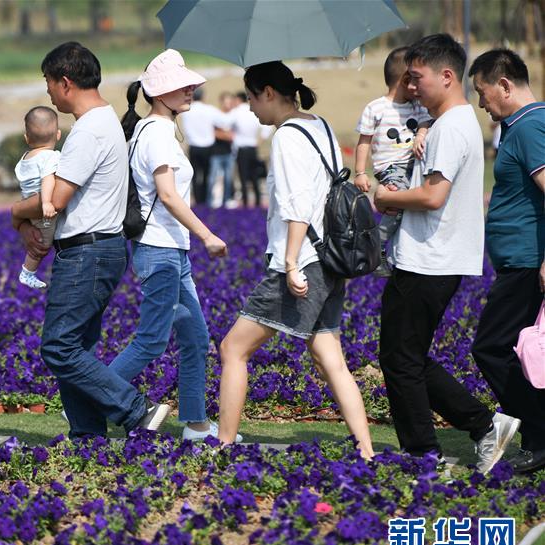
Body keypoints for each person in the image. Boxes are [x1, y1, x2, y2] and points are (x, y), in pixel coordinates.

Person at [374, 34, 520, 473]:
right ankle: (481, 428)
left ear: (447, 75)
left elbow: (434, 197)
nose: (411, 86)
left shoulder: (453, 127)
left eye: (416, 78)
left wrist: (387, 197)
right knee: (405, 356)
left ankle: (426, 454)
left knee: (400, 359)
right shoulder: (447, 125)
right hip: (431, 256)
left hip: (429, 258)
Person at [215, 61, 374, 459]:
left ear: (268, 92)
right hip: (332, 259)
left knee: (233, 349)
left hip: (303, 260)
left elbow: (298, 207)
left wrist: (288, 264)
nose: (250, 108)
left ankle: (223, 445)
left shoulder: (286, 136)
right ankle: (367, 452)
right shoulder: (318, 124)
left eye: (251, 98)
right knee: (329, 357)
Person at [11, 41, 169, 438]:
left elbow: (57, 198)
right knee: (76, 349)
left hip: (88, 252)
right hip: (97, 250)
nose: (47, 92)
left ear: (65, 82)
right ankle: (87, 438)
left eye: (48, 83)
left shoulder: (89, 130)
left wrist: (15, 213)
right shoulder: (102, 122)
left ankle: (137, 411)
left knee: (58, 348)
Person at [113, 49, 239, 442]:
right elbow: (168, 196)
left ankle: (196, 423)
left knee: (196, 338)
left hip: (169, 250)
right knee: (152, 340)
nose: (190, 91)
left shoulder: (153, 132)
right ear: (159, 94)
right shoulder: (157, 135)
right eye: (181, 87)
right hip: (160, 250)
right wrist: (207, 235)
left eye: (190, 85)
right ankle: (86, 394)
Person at [469, 48, 545, 474]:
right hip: (518, 261)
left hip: (528, 262)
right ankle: (537, 436)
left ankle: (538, 432)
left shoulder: (532, 126)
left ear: (504, 85)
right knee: (522, 352)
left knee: (491, 347)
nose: (482, 103)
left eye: (482, 92)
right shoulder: (519, 127)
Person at [354, 46, 431, 277]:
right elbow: (364, 142)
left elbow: (427, 122)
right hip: (390, 168)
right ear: (406, 79)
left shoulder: (417, 107)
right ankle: (375, 248)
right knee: (399, 203)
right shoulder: (376, 108)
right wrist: (359, 172)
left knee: (409, 207)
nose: (418, 86)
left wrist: (420, 134)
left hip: (413, 167)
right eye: (415, 78)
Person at [14, 106, 61, 289]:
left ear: (27, 138)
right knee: (43, 243)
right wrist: (47, 202)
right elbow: (47, 179)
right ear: (58, 135)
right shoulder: (51, 157)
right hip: (43, 210)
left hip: (28, 206)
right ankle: (28, 272)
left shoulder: (24, 159)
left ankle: (28, 271)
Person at [181, 88, 225, 205]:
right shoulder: (209, 109)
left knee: (194, 175)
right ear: (203, 97)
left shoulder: (187, 110)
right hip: (208, 147)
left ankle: (197, 199)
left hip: (193, 146)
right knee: (207, 174)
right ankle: (205, 199)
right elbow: (223, 122)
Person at [230, 91, 272, 208]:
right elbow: (267, 129)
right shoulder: (252, 112)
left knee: (243, 177)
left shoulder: (236, 112)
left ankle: (245, 202)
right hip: (253, 147)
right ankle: (258, 202)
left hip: (241, 149)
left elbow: (225, 123)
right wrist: (259, 141)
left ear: (238, 100)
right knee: (254, 176)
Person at [207, 92, 236, 208]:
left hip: (229, 152)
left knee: (228, 179)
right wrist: (226, 134)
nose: (228, 105)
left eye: (230, 102)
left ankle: (226, 200)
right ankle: (209, 201)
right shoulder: (216, 115)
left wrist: (223, 132)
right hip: (216, 153)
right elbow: (214, 133)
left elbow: (233, 135)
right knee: (212, 178)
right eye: (226, 102)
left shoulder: (234, 116)